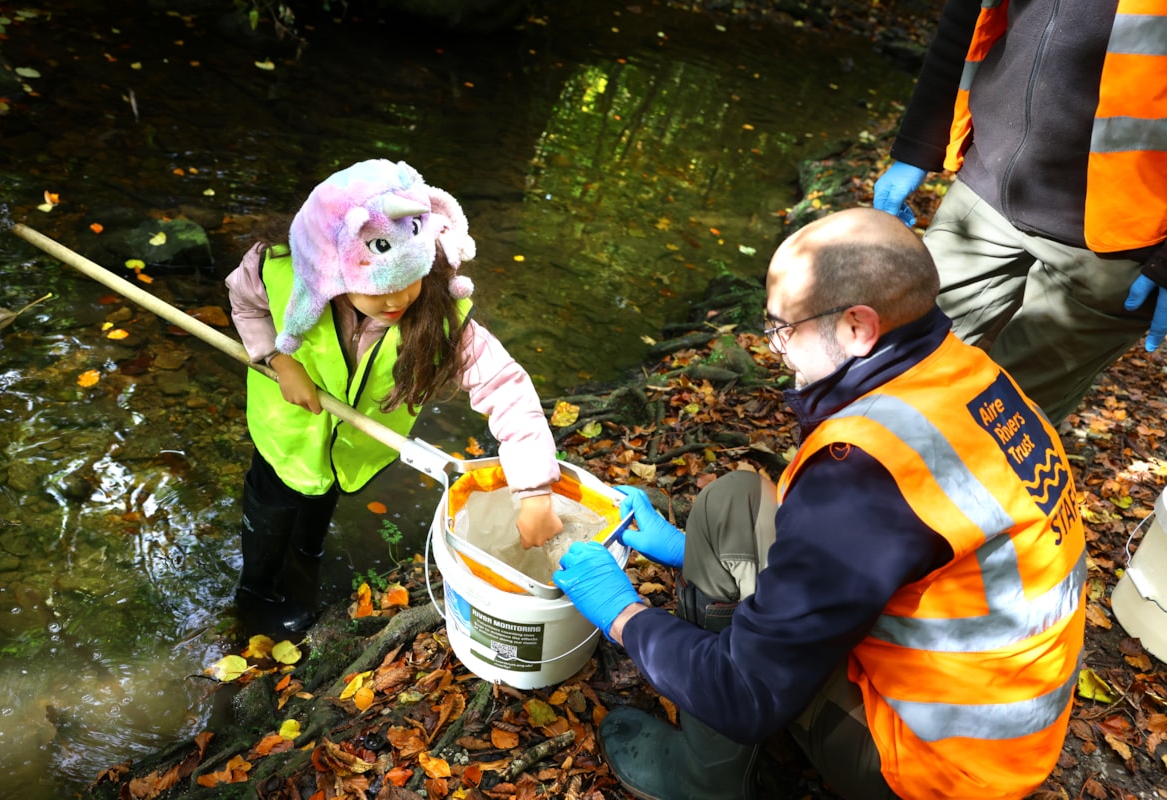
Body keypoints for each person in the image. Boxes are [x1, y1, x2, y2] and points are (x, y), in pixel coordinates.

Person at [553, 208, 1086, 800]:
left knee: (740, 676)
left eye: (782, 327)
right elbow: (867, 559)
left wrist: (621, 612)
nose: (774, 347)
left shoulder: (864, 473)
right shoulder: (968, 375)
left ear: (858, 327)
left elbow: (743, 690)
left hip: (937, 767)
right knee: (733, 502)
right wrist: (687, 550)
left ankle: (701, 782)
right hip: (995, 710)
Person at [226, 158, 562, 637]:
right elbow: (245, 304)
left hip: (347, 450)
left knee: (318, 506)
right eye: (378, 289)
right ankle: (254, 595)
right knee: (274, 503)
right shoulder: (278, 270)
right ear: (331, 267)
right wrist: (279, 361)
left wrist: (533, 492)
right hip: (286, 432)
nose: (398, 299)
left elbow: (506, 388)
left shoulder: (441, 315)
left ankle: (306, 563)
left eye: (411, 278)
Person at [872, 0, 1167, 427]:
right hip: (983, 195)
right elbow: (968, 18)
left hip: (1116, 240)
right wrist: (918, 147)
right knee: (885, 376)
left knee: (1001, 435)